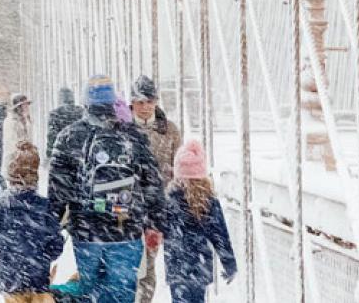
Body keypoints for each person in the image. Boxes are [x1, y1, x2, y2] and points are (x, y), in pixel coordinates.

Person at [49, 75, 164, 303]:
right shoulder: (132, 137)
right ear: (114, 102)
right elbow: (152, 183)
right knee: (122, 293)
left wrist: (53, 226)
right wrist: (154, 223)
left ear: (85, 102)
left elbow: (58, 191)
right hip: (126, 229)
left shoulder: (69, 137)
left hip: (86, 231)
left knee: (89, 291)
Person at [0, 142, 65, 303]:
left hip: (8, 279)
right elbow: (56, 243)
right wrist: (44, 256)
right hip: (37, 278)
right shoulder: (45, 206)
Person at [160, 140, 236, 303]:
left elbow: (159, 228)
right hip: (199, 266)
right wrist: (229, 263)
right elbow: (220, 235)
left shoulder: (169, 200)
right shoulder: (208, 201)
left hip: (176, 266)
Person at [131, 77, 183, 302]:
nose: (144, 107)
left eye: (149, 101)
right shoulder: (121, 129)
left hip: (157, 210)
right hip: (128, 208)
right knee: (130, 263)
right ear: (131, 103)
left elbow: (180, 168)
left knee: (148, 263)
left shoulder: (170, 131)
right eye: (139, 102)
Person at [47, 87, 85, 158]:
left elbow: (51, 136)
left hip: (62, 154)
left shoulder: (55, 114)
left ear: (60, 99)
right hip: (80, 153)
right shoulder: (81, 111)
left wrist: (49, 154)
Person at [1, 92, 34, 172]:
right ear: (18, 107)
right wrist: (22, 150)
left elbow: (30, 138)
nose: (27, 107)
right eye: (24, 104)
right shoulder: (10, 121)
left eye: (27, 104)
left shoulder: (27, 120)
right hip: (14, 162)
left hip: (27, 162)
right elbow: (10, 142)